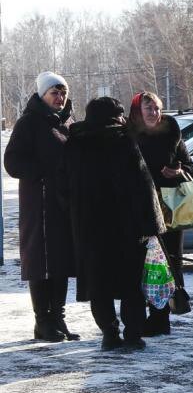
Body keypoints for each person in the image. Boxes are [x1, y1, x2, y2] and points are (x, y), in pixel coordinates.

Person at [62, 97, 166, 351]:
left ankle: (109, 333)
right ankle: (132, 333)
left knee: (99, 285)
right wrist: (154, 224)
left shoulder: (75, 142)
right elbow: (144, 185)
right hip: (126, 227)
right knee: (132, 283)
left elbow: (63, 185)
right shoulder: (123, 139)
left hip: (89, 227)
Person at [3, 72, 78, 342]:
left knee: (61, 260)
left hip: (64, 202)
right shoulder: (29, 123)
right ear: (42, 95)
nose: (59, 98)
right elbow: (12, 162)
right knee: (41, 261)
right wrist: (44, 173)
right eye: (54, 93)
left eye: (63, 93)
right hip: (40, 203)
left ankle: (58, 318)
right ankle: (42, 321)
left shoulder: (69, 122)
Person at [128, 91, 193, 336]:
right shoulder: (129, 136)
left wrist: (178, 171)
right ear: (138, 111)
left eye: (157, 108)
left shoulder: (171, 132)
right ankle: (146, 315)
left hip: (169, 209)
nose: (154, 114)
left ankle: (162, 316)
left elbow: (189, 165)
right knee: (144, 263)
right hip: (140, 208)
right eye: (149, 109)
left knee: (170, 261)